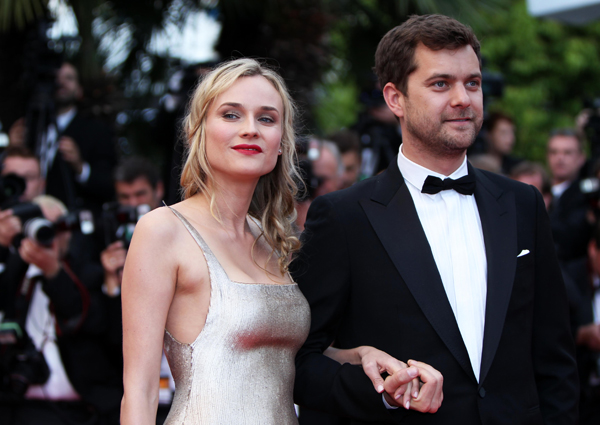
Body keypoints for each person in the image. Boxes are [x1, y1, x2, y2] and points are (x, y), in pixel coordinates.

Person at [292, 14, 578, 424]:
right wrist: (384, 395)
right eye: (441, 84)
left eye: (473, 83)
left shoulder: (522, 204)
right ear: (395, 99)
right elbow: (302, 361)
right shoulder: (344, 217)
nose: (463, 98)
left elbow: (555, 358)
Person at [120, 58, 436, 425]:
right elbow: (140, 390)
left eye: (267, 119)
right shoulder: (163, 230)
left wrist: (359, 354)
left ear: (282, 143)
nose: (251, 129)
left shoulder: (272, 241)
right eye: (231, 115)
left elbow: (273, 360)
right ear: (196, 130)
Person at [0, 195, 120, 424]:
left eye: (59, 226)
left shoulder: (89, 273)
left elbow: (89, 322)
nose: (51, 235)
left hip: (80, 411)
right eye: (41, 226)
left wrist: (53, 272)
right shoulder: (14, 274)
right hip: (19, 407)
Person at [8, 62, 117, 212]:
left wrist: (80, 167)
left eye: (69, 78)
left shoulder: (97, 130)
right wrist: (12, 148)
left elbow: (109, 185)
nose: (61, 82)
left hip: (73, 218)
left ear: (79, 91)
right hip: (27, 212)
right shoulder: (30, 125)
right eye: (55, 78)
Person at [547, 128, 591, 262]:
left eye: (568, 153)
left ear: (581, 158)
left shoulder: (587, 196)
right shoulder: (537, 189)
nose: (560, 158)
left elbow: (572, 237)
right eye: (554, 152)